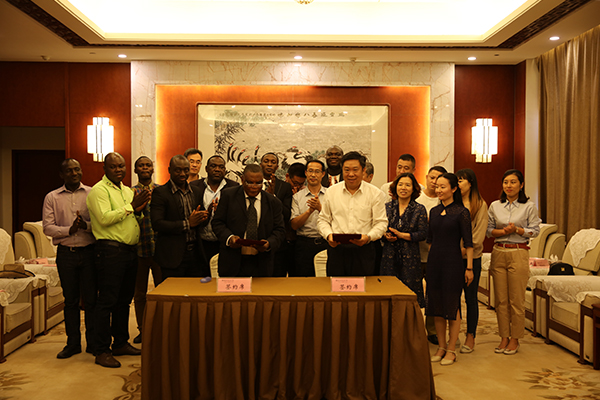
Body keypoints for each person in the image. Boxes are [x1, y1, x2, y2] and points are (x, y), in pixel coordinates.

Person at [87, 152, 150, 368]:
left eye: (121, 166)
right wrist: (132, 207)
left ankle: (121, 343)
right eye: (113, 166)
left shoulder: (126, 190)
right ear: (105, 168)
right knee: (107, 301)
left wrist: (138, 210)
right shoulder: (99, 190)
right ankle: (101, 350)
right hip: (110, 251)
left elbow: (130, 217)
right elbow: (104, 218)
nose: (118, 170)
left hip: (130, 251)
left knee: (124, 301)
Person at [42, 158, 96, 359]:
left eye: (77, 169)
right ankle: (72, 344)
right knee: (71, 301)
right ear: (61, 174)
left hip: (89, 253)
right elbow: (47, 227)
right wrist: (69, 230)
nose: (74, 173)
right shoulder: (52, 197)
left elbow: (100, 223)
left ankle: (93, 343)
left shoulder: (92, 193)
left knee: (91, 300)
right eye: (69, 171)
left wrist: (85, 226)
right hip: (66, 255)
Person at [487, 169, 541, 355]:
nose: (508, 186)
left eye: (513, 182)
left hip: (518, 252)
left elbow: (535, 230)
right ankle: (504, 337)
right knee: (501, 300)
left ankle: (515, 339)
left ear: (521, 185)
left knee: (516, 300)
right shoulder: (495, 205)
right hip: (498, 252)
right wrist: (503, 232)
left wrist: (517, 230)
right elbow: (488, 230)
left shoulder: (529, 207)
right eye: (505, 182)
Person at [427, 172, 473, 366]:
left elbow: (468, 243)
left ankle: (452, 349)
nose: (438, 190)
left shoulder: (462, 212)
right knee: (436, 307)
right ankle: (441, 346)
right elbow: (430, 240)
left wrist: (469, 267)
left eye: (443, 187)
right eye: (437, 186)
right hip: (434, 263)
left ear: (454, 189)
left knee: (452, 306)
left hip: (453, 263)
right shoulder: (434, 212)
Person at [317, 151, 387, 276]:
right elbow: (323, 220)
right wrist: (328, 236)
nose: (351, 174)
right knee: (336, 286)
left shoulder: (375, 193)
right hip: (337, 249)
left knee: (362, 287)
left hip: (364, 249)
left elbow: (381, 223)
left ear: (363, 170)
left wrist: (368, 237)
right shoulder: (331, 192)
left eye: (355, 170)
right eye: (346, 170)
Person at [211, 164, 286, 277]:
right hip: (232, 261)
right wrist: (229, 238)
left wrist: (268, 244)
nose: (254, 187)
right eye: (250, 182)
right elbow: (217, 223)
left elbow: (280, 230)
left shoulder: (273, 202)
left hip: (262, 263)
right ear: (242, 180)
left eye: (258, 183)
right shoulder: (228, 196)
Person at [151, 155, 208, 280]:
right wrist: (188, 223)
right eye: (178, 170)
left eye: (186, 170)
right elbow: (157, 224)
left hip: (196, 255)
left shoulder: (196, 191)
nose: (182, 174)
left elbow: (200, 223)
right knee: (173, 291)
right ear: (169, 170)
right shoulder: (160, 193)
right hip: (172, 256)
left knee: (195, 290)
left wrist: (206, 215)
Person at [380, 173, 428, 307]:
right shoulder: (387, 207)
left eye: (408, 185)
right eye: (400, 184)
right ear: (395, 187)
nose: (403, 188)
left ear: (414, 189)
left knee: (409, 295)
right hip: (389, 256)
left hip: (410, 258)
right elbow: (379, 227)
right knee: (388, 293)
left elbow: (423, 234)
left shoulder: (419, 209)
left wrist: (401, 235)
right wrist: (385, 235)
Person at [456, 168, 488, 354]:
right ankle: (455, 334)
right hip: (453, 257)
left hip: (472, 258)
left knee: (470, 298)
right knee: (454, 298)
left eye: (461, 180)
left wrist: (464, 249)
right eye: (457, 180)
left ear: (471, 183)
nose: (458, 184)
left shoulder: (480, 205)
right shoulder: (452, 203)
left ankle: (471, 335)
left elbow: (479, 235)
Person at [131, 156, 162, 344]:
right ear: (135, 170)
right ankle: (142, 329)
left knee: (162, 292)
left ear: (152, 169)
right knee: (139, 294)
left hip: (160, 250)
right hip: (138, 250)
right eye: (141, 165)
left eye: (148, 165)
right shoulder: (129, 193)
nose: (144, 168)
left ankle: (161, 328)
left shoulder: (161, 191)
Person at [416, 165, 448, 345]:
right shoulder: (417, 197)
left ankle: (433, 331)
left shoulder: (444, 201)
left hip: (436, 256)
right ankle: (413, 330)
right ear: (427, 177)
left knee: (434, 294)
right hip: (415, 253)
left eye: (439, 179)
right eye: (432, 177)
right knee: (414, 294)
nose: (435, 182)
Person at [190, 155, 239, 265]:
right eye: (213, 166)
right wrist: (203, 214)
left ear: (225, 170)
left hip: (224, 242)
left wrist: (222, 212)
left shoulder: (233, 187)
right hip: (200, 242)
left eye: (221, 167)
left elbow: (237, 215)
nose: (217, 169)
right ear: (206, 169)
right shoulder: (194, 186)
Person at [290, 160, 328, 277]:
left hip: (326, 243)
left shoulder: (330, 194)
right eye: (310, 171)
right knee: (304, 281)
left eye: (317, 171)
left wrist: (320, 208)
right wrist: (309, 211)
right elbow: (294, 225)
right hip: (304, 245)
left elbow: (336, 221)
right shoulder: (297, 197)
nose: (313, 175)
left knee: (325, 280)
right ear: (306, 173)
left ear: (323, 174)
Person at [260, 152, 293, 277]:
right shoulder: (253, 184)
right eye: (266, 161)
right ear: (260, 164)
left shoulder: (285, 187)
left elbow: (287, 214)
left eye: (273, 162)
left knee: (278, 280)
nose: (269, 164)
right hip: (256, 240)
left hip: (277, 242)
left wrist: (272, 197)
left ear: (277, 167)